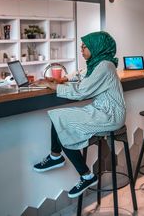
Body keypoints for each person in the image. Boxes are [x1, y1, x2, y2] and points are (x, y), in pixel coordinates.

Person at [33, 31, 126, 198]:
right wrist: (60, 80)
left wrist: (53, 87)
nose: (81, 50)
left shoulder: (105, 65)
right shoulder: (96, 64)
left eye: (84, 46)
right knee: (59, 116)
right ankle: (57, 157)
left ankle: (83, 174)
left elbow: (82, 91)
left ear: (97, 47)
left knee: (61, 119)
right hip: (101, 110)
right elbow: (79, 75)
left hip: (110, 115)